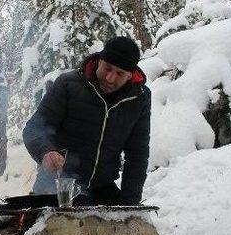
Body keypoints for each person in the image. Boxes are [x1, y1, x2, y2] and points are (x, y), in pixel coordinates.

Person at [23, 36, 151, 206]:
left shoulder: (139, 98)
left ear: (130, 75)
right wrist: (46, 151)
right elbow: (33, 129)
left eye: (120, 74)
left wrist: (130, 204)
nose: (110, 78)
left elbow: (137, 154)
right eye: (107, 68)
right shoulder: (69, 84)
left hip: (102, 190)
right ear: (99, 61)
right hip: (57, 188)